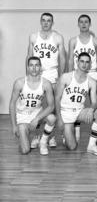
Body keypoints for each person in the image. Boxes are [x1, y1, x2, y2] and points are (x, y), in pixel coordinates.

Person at [27, 12, 66, 148]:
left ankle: (51, 136)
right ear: (40, 21)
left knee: (52, 106)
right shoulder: (33, 37)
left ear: (52, 22)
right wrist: (29, 76)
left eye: (48, 20)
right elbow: (29, 57)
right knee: (37, 106)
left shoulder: (57, 37)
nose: (45, 23)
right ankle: (37, 136)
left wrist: (61, 77)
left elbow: (62, 59)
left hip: (52, 73)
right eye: (43, 20)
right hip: (37, 74)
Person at [55, 52, 97, 156]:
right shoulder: (66, 77)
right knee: (72, 147)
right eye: (82, 61)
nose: (84, 64)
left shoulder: (91, 81)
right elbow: (57, 98)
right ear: (77, 62)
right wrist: (59, 118)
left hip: (79, 112)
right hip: (66, 113)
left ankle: (91, 146)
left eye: (87, 62)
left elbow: (95, 102)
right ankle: (67, 133)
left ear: (90, 65)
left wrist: (91, 109)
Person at [67, 14, 97, 143]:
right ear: (78, 24)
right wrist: (71, 76)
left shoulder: (96, 40)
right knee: (75, 101)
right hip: (77, 74)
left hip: (92, 73)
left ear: (90, 24)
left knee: (96, 104)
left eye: (86, 22)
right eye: (81, 22)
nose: (83, 24)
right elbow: (70, 60)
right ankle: (76, 130)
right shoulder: (73, 40)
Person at [9, 56, 56, 155]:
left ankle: (43, 142)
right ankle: (27, 137)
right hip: (22, 117)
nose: (34, 68)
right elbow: (12, 104)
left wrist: (37, 118)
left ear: (40, 67)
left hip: (37, 115)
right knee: (25, 150)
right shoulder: (19, 83)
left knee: (52, 118)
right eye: (31, 65)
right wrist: (14, 126)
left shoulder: (46, 83)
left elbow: (51, 106)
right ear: (27, 67)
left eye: (37, 65)